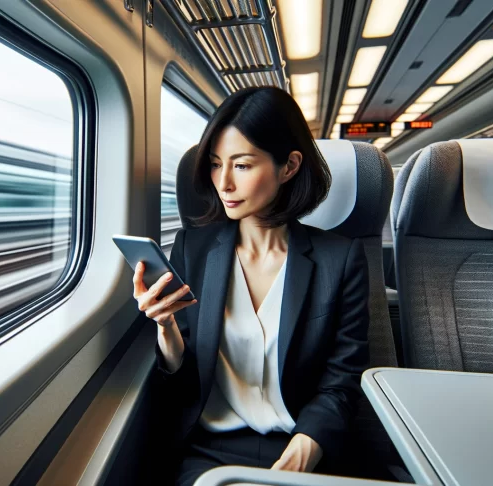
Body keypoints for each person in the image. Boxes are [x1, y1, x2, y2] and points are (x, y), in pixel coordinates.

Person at [133, 86, 370, 485]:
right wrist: (166, 327)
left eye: (241, 166)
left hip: (302, 447)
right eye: (214, 164)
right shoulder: (193, 248)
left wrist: (303, 452)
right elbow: (184, 380)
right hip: (210, 453)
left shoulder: (339, 259)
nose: (223, 183)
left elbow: (342, 381)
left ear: (289, 166)